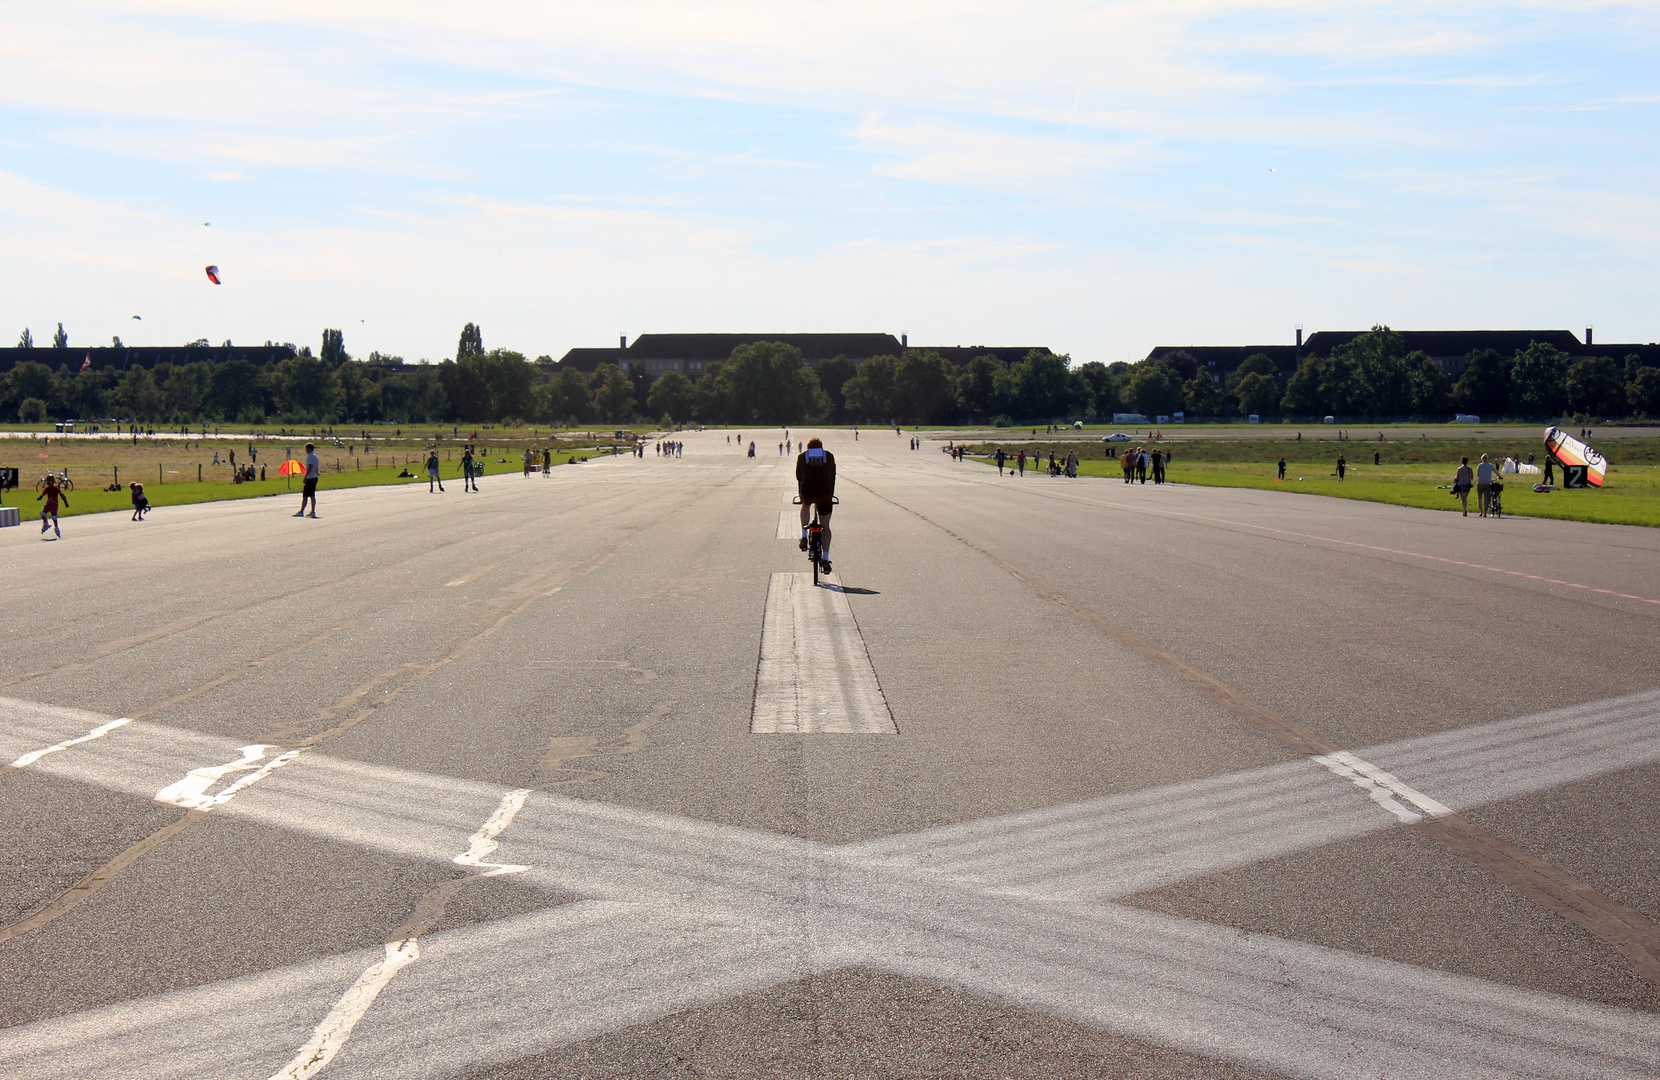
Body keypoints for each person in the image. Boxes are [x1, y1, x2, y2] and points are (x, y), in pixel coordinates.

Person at [796, 437, 836, 574]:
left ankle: (804, 536)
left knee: (805, 506)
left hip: (807, 491)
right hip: (825, 493)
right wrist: (830, 495)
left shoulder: (802, 457)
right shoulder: (829, 456)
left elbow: (798, 476)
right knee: (825, 527)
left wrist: (801, 494)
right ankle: (825, 557)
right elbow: (832, 476)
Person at [296, 443, 320, 517]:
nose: (305, 450)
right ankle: (312, 511)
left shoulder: (310, 456)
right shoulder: (315, 457)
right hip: (314, 477)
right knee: (312, 495)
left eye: (306, 449)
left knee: (305, 495)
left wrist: (306, 476)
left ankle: (301, 511)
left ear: (309, 449)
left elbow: (310, 466)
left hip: (310, 477)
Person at [1476, 453, 1496, 517]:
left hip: (1480, 483)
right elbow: (1496, 471)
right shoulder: (1490, 465)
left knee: (1480, 497)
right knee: (1486, 498)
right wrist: (1499, 476)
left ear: (1482, 459)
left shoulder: (1480, 465)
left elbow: (1478, 474)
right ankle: (1485, 512)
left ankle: (1481, 510)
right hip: (1487, 483)